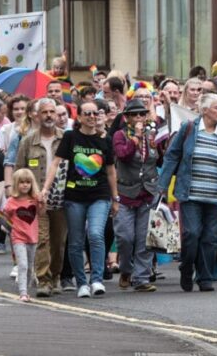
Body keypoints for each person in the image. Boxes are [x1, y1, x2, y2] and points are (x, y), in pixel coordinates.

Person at [156, 93, 217, 292]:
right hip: (190, 193)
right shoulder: (188, 129)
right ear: (204, 110)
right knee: (192, 233)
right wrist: (163, 184)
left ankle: (205, 277)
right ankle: (186, 268)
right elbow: (172, 156)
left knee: (210, 237)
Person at [50, 100, 118, 298]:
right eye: (86, 114)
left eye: (94, 113)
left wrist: (115, 198)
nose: (91, 117)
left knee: (96, 234)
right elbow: (56, 163)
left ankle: (96, 279)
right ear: (78, 117)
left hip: (100, 194)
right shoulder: (71, 137)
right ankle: (81, 283)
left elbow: (111, 172)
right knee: (76, 241)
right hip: (74, 196)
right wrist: (46, 188)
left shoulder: (105, 140)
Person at [17, 97, 67, 298]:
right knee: (41, 240)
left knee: (58, 241)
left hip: (61, 199)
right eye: (44, 112)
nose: (48, 116)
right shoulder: (28, 141)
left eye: (51, 112)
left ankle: (56, 276)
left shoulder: (66, 138)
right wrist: (23, 196)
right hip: (36, 200)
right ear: (36, 115)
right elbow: (20, 170)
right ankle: (43, 280)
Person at [113, 99, 160, 291]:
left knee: (144, 238)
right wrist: (136, 139)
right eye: (134, 114)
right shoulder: (120, 135)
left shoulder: (152, 135)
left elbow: (160, 158)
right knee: (125, 237)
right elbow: (122, 155)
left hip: (148, 191)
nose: (139, 117)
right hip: (125, 192)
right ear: (127, 117)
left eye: (142, 114)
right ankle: (126, 268)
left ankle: (141, 278)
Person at [4, 169, 41, 301]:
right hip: (18, 237)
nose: (25, 185)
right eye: (21, 182)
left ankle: (27, 288)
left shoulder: (35, 200)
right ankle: (23, 292)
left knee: (30, 266)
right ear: (16, 184)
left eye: (28, 182)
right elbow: (5, 216)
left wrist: (43, 200)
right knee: (23, 264)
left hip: (32, 236)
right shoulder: (11, 202)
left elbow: (43, 211)